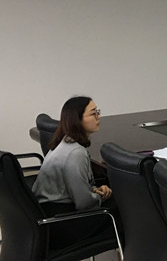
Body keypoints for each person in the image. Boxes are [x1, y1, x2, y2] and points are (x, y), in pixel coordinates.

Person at [32, 96, 118, 246]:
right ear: (76, 120)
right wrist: (100, 197)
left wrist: (94, 190)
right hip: (61, 225)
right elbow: (85, 204)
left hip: (48, 217)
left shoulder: (63, 143)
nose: (98, 117)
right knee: (124, 206)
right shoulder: (76, 153)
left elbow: (74, 187)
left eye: (97, 112)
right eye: (93, 113)